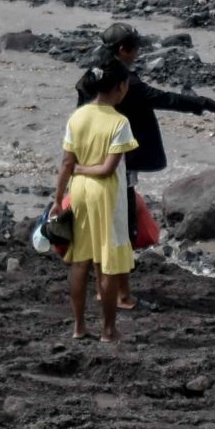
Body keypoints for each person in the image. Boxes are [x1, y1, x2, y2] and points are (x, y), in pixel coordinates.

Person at [78, 22, 215, 309]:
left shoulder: (89, 78)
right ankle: (124, 297)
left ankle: (101, 291)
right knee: (123, 235)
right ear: (123, 50)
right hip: (118, 169)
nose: (138, 52)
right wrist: (202, 103)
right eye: (136, 47)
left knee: (99, 234)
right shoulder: (124, 84)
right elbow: (162, 98)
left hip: (89, 167)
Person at [54, 61, 139, 340]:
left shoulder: (77, 117)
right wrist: (83, 169)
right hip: (106, 194)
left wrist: (58, 199)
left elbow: (66, 162)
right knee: (108, 261)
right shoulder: (119, 121)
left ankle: (78, 327)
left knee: (80, 261)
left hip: (77, 192)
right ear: (121, 87)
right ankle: (108, 330)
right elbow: (106, 169)